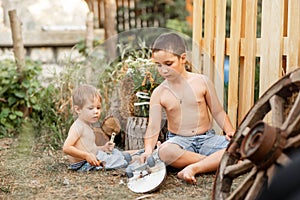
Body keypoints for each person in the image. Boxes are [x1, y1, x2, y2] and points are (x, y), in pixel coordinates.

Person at [140, 32, 235, 184]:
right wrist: (148, 150)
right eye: (158, 65)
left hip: (207, 139)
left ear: (183, 58)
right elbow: (153, 126)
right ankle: (212, 162)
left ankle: (194, 167)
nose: (163, 70)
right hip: (179, 142)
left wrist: (230, 131)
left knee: (241, 144)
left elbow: (218, 111)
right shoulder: (159, 93)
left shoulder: (202, 82)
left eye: (168, 64)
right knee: (165, 151)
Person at [63, 84, 127, 171]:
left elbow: (90, 149)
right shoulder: (78, 127)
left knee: (113, 153)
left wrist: (103, 148)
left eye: (98, 107)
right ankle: (126, 160)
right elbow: (66, 148)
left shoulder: (87, 125)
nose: (96, 112)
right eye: (90, 108)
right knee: (114, 160)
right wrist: (86, 156)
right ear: (78, 109)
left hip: (89, 159)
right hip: (83, 164)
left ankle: (123, 157)